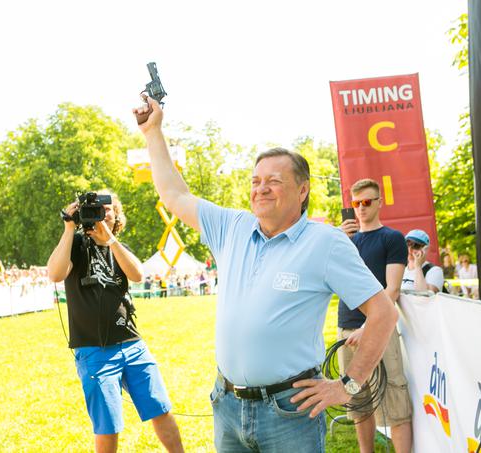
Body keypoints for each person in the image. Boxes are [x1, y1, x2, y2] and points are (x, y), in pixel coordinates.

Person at [134, 97, 398, 452]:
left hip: (290, 412)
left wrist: (347, 385)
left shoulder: (325, 242)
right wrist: (153, 132)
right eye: (256, 180)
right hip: (228, 405)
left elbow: (383, 312)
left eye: (274, 181)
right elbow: (175, 193)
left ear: (302, 190)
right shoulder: (232, 226)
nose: (261, 188)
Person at [47, 190, 183, 453]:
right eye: (95, 208)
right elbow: (55, 274)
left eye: (107, 208)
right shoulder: (74, 246)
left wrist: (109, 240)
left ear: (116, 216)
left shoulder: (119, 249)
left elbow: (137, 274)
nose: (101, 212)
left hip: (131, 343)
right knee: (107, 425)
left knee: (160, 408)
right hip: (93, 349)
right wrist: (68, 228)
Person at [339, 179, 412, 453]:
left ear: (379, 202)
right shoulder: (345, 241)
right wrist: (340, 240)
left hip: (378, 328)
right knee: (358, 400)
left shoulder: (391, 238)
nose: (361, 208)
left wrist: (368, 326)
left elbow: (391, 289)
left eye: (367, 202)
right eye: (356, 203)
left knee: (394, 397)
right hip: (347, 327)